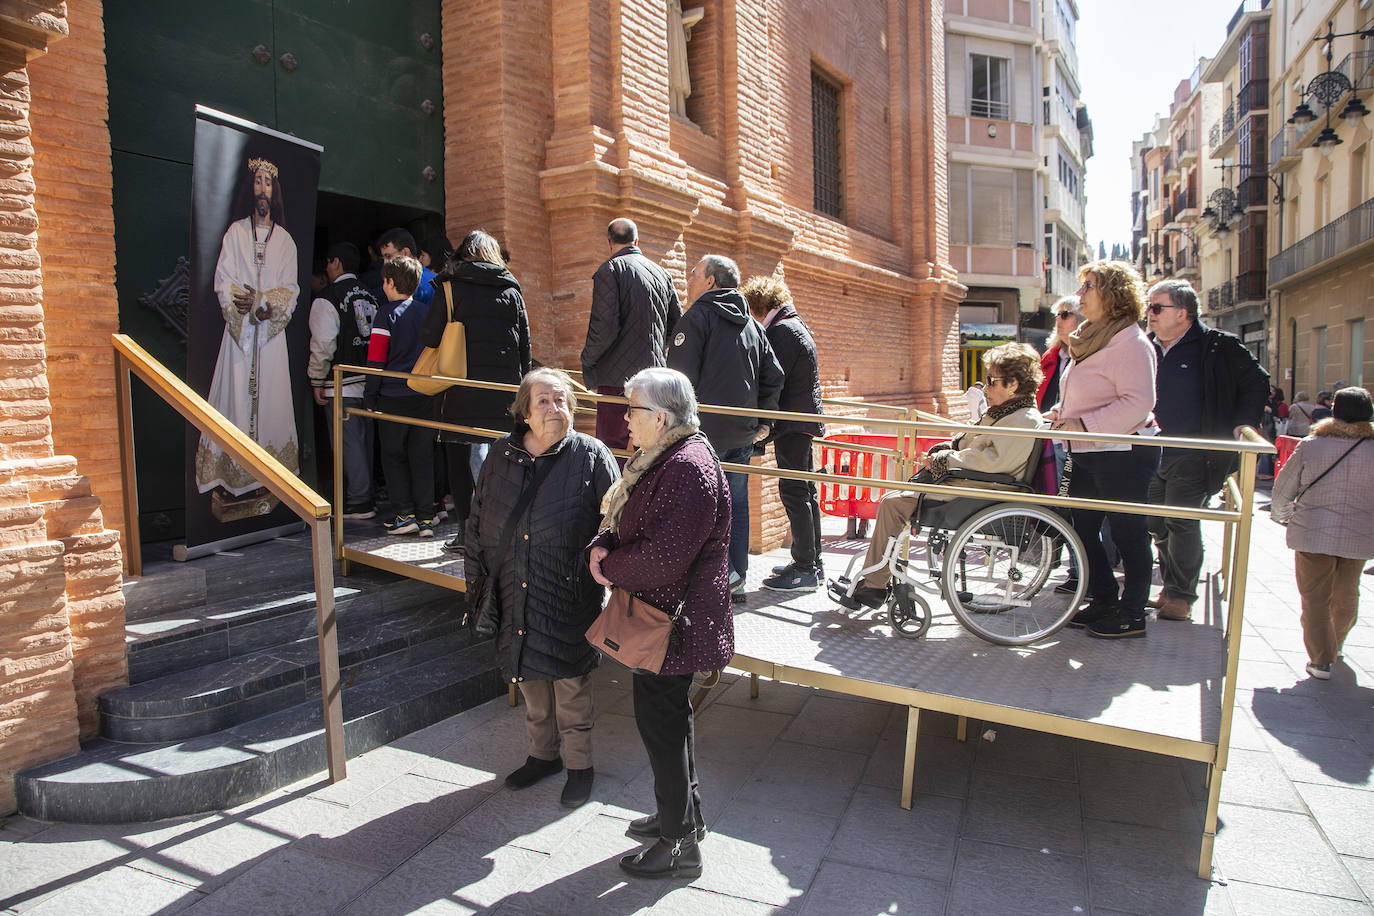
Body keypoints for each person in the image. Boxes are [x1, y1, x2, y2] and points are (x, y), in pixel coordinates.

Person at [587, 367, 733, 880]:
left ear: (662, 416)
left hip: (674, 624)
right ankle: (682, 819)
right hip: (664, 618)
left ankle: (678, 845)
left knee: (663, 731)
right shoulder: (662, 456)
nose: (626, 419)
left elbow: (662, 558)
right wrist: (602, 543)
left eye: (633, 410)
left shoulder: (687, 466)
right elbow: (625, 520)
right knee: (671, 725)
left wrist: (608, 566)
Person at [465, 369, 618, 806]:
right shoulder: (500, 454)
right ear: (525, 413)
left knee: (570, 683)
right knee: (529, 676)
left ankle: (580, 765)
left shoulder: (592, 455)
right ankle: (542, 755)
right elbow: (478, 519)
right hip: (513, 584)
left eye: (563, 400)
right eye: (545, 402)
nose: (556, 409)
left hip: (567, 589)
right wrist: (477, 575)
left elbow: (614, 520)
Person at [840, 343, 1044, 608]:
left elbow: (993, 461)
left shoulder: (1023, 420)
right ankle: (876, 579)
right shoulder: (1005, 414)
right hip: (974, 484)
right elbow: (975, 444)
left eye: (992, 381)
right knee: (895, 498)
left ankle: (874, 585)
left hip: (982, 489)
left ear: (1013, 384)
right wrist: (949, 449)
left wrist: (946, 459)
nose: (986, 387)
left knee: (893, 503)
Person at [1143, 279, 1268, 623]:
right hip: (1151, 449)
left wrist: (1244, 424)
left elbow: (1257, 382)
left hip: (1195, 451)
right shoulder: (1146, 347)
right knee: (1157, 523)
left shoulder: (1218, 346)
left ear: (1182, 313)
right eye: (1148, 308)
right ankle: (1171, 585)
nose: (1149, 315)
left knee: (1181, 521)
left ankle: (1182, 596)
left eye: (1157, 308)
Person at [1050, 260, 1161, 640]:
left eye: (1088, 287)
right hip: (1089, 449)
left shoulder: (1130, 341)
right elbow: (1089, 392)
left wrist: (1083, 424)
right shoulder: (1091, 336)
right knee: (1080, 527)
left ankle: (1132, 613)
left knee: (1129, 532)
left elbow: (1138, 402)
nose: (1080, 294)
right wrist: (1064, 414)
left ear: (1112, 295)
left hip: (1123, 451)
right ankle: (1103, 598)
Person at [667, 254, 784, 599]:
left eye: (694, 274)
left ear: (710, 281)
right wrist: (764, 420)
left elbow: (678, 383)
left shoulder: (697, 318)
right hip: (743, 433)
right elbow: (774, 376)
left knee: (701, 504)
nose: (688, 280)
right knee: (736, 503)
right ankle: (737, 579)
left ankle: (722, 576)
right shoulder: (752, 326)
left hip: (703, 436)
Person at [195, 155, 301, 501]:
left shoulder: (285, 241)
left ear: (275, 192)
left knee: (272, 401)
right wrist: (244, 307)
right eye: (257, 182)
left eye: (268, 183)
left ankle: (272, 481)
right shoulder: (235, 233)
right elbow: (223, 280)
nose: (262, 190)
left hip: (270, 338)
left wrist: (262, 303)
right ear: (250, 189)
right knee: (235, 399)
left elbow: (290, 289)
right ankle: (234, 478)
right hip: (240, 338)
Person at [425, 230, 532, 553]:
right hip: (501, 390)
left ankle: (466, 532)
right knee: (502, 457)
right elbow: (524, 346)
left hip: (459, 388)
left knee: (458, 457)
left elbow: (428, 336)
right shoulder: (512, 290)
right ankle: (503, 527)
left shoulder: (448, 287)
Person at [1271, 387, 1374, 680]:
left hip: (1313, 532)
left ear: (1334, 411)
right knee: (1347, 593)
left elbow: (1283, 489)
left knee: (1315, 598)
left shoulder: (1312, 444)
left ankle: (1320, 659)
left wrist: (1283, 516)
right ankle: (1336, 643)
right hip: (1361, 534)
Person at [739, 275, 825, 591]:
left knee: (794, 492)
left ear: (760, 305)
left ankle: (805, 568)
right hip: (799, 422)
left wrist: (762, 423)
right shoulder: (793, 324)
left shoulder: (782, 332)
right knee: (804, 491)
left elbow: (773, 378)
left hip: (793, 422)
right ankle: (812, 562)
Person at [580, 218, 681, 453]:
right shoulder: (662, 274)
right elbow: (676, 326)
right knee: (648, 446)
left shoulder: (610, 270)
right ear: (636, 240)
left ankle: (621, 491)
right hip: (654, 379)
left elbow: (603, 327)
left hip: (617, 381)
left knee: (613, 449)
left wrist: (588, 360)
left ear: (609, 242)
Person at [364, 255, 436, 536]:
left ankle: (404, 516)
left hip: (393, 396)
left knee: (394, 456)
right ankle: (427, 519)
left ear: (391, 282)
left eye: (384, 280)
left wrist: (370, 396)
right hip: (423, 395)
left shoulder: (386, 314)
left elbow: (376, 359)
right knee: (422, 456)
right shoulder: (425, 312)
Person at [307, 242, 379, 519]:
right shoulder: (371, 295)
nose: (327, 267)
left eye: (328, 262)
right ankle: (366, 494)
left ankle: (360, 500)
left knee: (348, 444)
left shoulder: (328, 297)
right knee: (365, 442)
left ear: (336, 262)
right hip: (370, 380)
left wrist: (316, 378)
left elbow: (323, 342)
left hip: (342, 381)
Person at [378, 228, 436, 307]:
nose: (385, 262)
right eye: (384, 258)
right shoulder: (431, 279)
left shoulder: (415, 282)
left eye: (388, 256)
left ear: (405, 252)